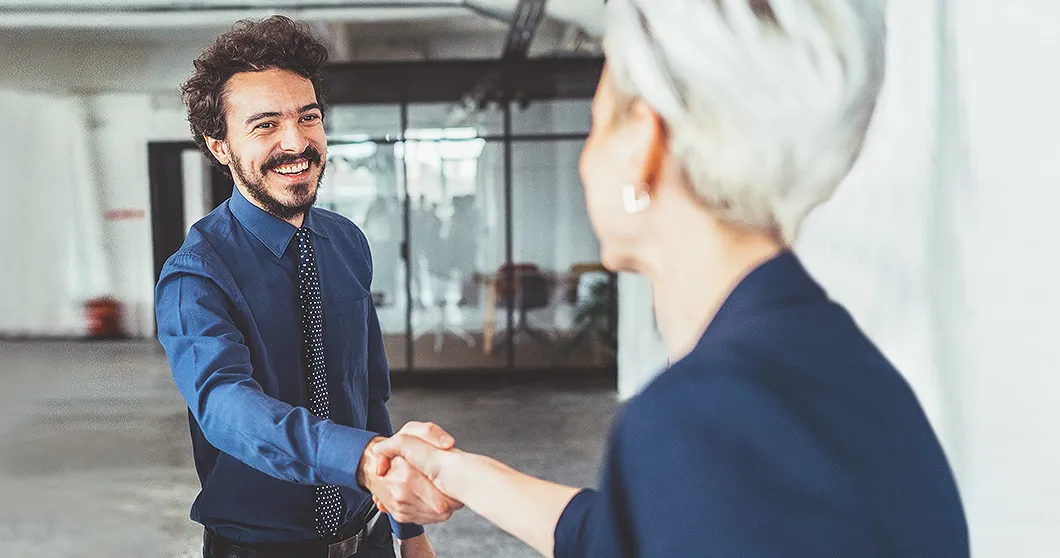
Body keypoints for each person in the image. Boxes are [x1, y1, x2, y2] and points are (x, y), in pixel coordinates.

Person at [368, 0, 970, 556]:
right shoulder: (829, 366)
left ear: (644, 145)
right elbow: (621, 536)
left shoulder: (704, 416)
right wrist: (457, 471)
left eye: (597, 124)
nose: (584, 159)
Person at [155, 16, 455, 558]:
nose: (296, 142)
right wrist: (360, 460)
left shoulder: (345, 242)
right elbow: (226, 407)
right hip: (262, 548)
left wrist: (407, 528)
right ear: (219, 146)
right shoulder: (195, 276)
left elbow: (367, 395)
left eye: (308, 117)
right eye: (264, 125)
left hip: (367, 533)